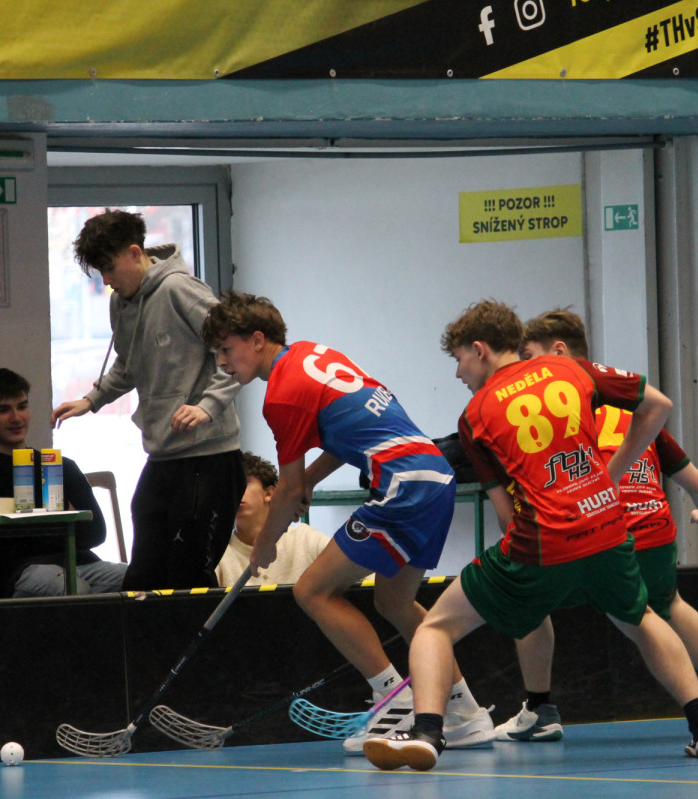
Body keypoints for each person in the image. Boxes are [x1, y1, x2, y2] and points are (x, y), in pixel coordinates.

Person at [363, 299, 698, 772]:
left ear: (481, 349)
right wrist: (611, 475)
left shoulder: (474, 416)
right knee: (640, 616)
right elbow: (658, 405)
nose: (458, 372)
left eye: (459, 359)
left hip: (542, 543)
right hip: (607, 529)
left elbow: (505, 516)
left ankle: (429, 733)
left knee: (435, 627)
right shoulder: (569, 369)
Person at [202, 291, 495, 756]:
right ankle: (465, 713)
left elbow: (288, 489)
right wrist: (309, 483)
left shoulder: (281, 394)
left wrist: (264, 545)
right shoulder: (313, 355)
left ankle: (392, 698)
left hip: (403, 485)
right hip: (435, 476)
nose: (221, 362)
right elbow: (340, 442)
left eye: (225, 349)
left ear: (257, 340)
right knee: (395, 601)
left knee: (312, 590)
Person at [493, 309, 698, 743]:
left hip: (596, 538)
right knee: (669, 605)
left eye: (530, 357)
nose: (526, 369)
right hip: (655, 536)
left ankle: (541, 709)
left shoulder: (559, 419)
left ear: (559, 352)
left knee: (528, 601)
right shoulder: (634, 415)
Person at [51, 210, 244, 591]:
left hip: (209, 457)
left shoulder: (179, 290)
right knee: (141, 578)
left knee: (187, 576)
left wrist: (206, 407)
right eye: (100, 272)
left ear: (135, 253)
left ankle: (196, 631)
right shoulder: (122, 303)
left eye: (110, 268)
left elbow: (236, 353)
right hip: (163, 454)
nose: (106, 281)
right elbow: (128, 364)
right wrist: (91, 399)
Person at [0, 368, 127, 598]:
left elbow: (96, 533)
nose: (16, 418)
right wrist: (60, 524)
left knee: (143, 577)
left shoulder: (60, 465)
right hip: (17, 572)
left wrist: (26, 529)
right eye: (3, 410)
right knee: (74, 588)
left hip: (81, 563)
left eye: (22, 406)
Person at [215, 452, 334, 587]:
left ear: (269, 493)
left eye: (243, 483)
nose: (234, 492)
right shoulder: (219, 554)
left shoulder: (305, 539)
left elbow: (350, 569)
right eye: (228, 487)